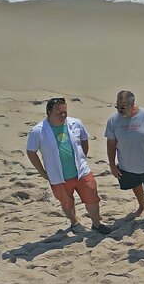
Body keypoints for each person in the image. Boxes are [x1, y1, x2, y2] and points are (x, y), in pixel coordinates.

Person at [26, 97, 107, 232]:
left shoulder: (75, 123)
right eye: (59, 113)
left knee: (92, 197)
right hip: (58, 176)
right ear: (49, 112)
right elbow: (31, 152)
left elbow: (84, 140)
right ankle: (74, 222)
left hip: (81, 172)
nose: (63, 115)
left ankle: (97, 224)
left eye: (65, 112)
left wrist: (81, 159)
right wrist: (42, 171)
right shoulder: (38, 131)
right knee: (66, 202)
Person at [104, 90, 144, 220]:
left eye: (123, 107)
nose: (120, 110)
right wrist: (112, 165)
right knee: (135, 186)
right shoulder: (113, 121)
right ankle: (141, 205)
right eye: (117, 106)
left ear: (132, 104)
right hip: (127, 165)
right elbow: (111, 144)